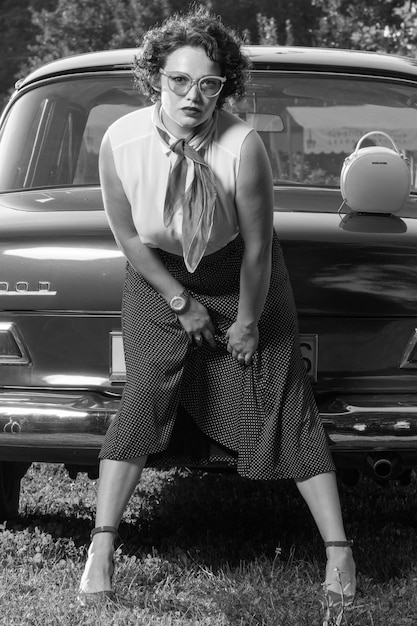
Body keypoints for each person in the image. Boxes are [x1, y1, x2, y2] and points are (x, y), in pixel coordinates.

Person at [78, 6, 356, 621]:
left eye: (209, 84)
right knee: (147, 387)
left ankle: (338, 551)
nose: (193, 96)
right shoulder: (121, 141)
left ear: (223, 87)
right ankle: (102, 548)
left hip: (240, 273)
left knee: (281, 387)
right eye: (179, 80)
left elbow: (259, 247)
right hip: (159, 274)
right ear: (156, 78)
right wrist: (180, 304)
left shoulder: (242, 146)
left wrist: (248, 321)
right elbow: (128, 237)